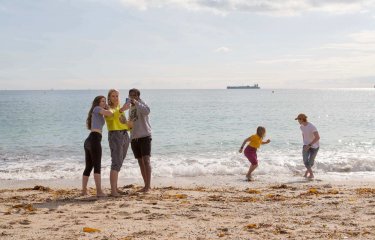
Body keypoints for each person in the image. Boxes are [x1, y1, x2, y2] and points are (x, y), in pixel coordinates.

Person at [82, 95, 113, 197]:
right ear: (98, 103)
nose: (104, 103)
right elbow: (110, 113)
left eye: (105, 101)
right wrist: (109, 108)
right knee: (97, 166)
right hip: (94, 140)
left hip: (89, 140)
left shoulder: (96, 111)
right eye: (103, 101)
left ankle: (84, 191)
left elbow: (109, 117)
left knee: (89, 166)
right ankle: (99, 192)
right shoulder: (97, 108)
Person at [105, 89, 131, 196]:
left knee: (119, 162)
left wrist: (129, 124)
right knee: (116, 162)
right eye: (113, 96)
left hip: (124, 135)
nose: (115, 98)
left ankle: (115, 188)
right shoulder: (108, 108)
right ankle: (113, 191)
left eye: (117, 96)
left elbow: (123, 122)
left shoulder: (118, 108)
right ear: (109, 98)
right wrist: (121, 110)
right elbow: (111, 116)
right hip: (115, 135)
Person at [128, 88, 152, 192]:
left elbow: (147, 112)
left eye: (134, 95)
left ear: (138, 96)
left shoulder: (142, 104)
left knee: (146, 160)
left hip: (145, 136)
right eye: (130, 96)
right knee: (140, 162)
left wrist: (136, 102)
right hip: (134, 138)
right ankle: (145, 185)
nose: (132, 97)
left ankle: (148, 186)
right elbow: (131, 123)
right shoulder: (130, 108)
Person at [295, 113, 320, 179]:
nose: (298, 121)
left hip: (315, 146)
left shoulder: (312, 126)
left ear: (302, 119)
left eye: (298, 120)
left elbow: (317, 137)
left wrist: (309, 145)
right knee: (305, 161)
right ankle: (311, 175)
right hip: (306, 145)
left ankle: (306, 173)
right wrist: (305, 143)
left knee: (311, 162)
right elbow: (303, 134)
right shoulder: (301, 127)